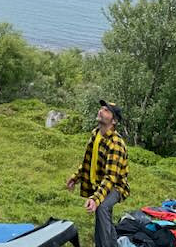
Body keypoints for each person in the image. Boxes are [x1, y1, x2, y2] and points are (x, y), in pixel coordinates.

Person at [66, 100, 130, 247]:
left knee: (102, 207)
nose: (101, 111)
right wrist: (75, 177)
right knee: (103, 215)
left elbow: (111, 177)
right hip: (101, 184)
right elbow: (88, 162)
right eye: (101, 108)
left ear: (114, 121)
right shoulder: (96, 134)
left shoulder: (116, 143)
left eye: (106, 110)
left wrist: (95, 199)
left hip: (115, 186)